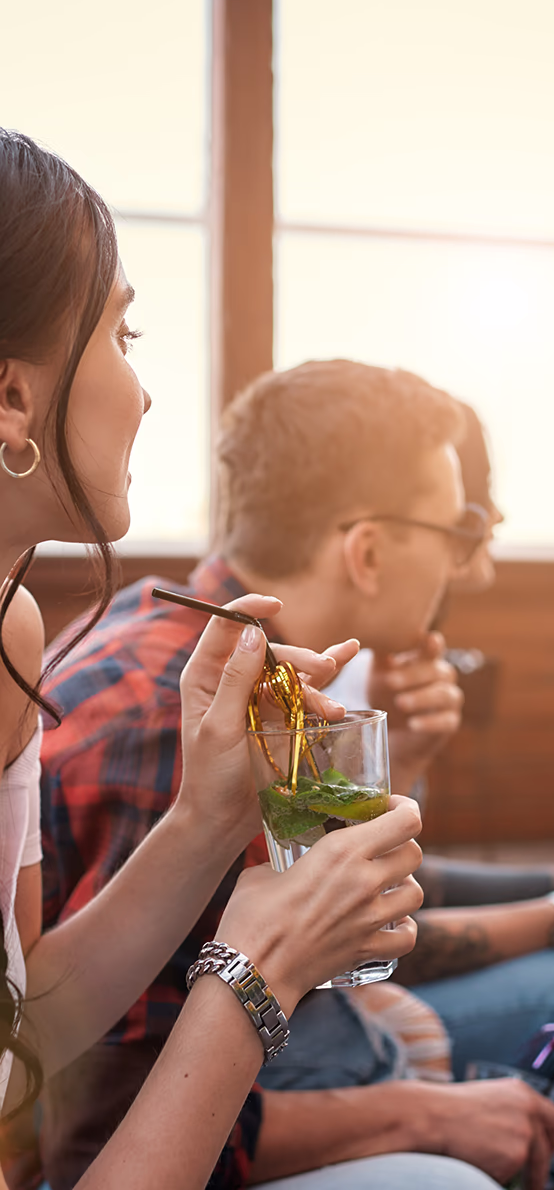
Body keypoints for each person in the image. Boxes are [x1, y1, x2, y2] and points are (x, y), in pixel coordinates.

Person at [38, 359, 554, 1190]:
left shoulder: (198, 652)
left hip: (292, 1042)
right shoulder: (181, 724)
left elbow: (344, 900)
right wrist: (424, 1111)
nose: (464, 568)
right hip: (219, 1105)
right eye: (453, 536)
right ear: (368, 553)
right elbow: (96, 1127)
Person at [0, 128, 436, 1190]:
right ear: (14, 399)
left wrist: (208, 820)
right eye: (122, 332)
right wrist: (256, 973)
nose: (143, 393)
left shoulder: (12, 639)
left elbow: (23, 1042)